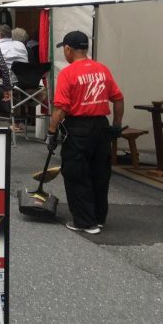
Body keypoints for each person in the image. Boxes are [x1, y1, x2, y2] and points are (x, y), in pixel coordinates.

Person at [47, 31, 124, 235]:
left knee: (76, 173)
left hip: (78, 128)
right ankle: (99, 218)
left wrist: (51, 131)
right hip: (101, 127)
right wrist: (116, 125)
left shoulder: (68, 73)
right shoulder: (102, 70)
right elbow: (118, 98)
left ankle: (84, 221)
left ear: (68, 49)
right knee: (100, 173)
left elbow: (61, 108)